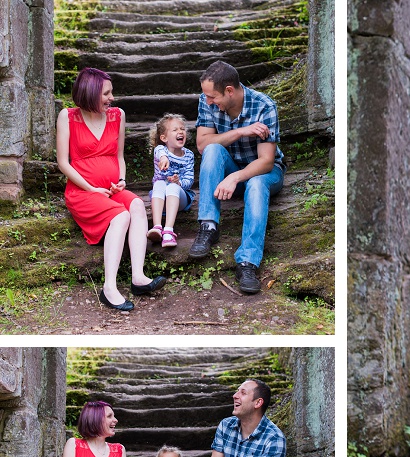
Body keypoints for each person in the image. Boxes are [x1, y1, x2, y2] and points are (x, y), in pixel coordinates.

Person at [56, 67, 166, 311]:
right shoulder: (68, 117)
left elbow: (119, 156)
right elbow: (63, 163)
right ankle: (109, 288)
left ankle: (138, 277)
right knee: (121, 214)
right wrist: (92, 188)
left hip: (111, 188)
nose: (111, 98)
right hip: (83, 192)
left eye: (111, 93)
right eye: (106, 93)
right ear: (90, 92)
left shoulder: (118, 115)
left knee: (137, 205)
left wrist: (123, 179)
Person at [187, 60, 285, 294]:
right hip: (231, 168)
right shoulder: (206, 100)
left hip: (264, 174)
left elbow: (266, 161)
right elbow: (202, 144)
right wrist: (241, 131)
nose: (208, 101)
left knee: (257, 183)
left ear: (229, 90)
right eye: (207, 97)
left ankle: (247, 262)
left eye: (213, 97)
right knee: (212, 150)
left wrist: (235, 178)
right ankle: (209, 225)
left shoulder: (264, 106)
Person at [146, 114, 195, 249]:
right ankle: (157, 227)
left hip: (180, 199)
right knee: (160, 183)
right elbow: (160, 153)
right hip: (161, 198)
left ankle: (168, 230)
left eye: (182, 129)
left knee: (172, 187)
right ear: (164, 138)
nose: (180, 132)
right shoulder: (160, 150)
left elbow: (189, 180)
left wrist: (179, 182)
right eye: (175, 130)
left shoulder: (189, 155)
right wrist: (164, 159)